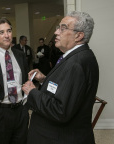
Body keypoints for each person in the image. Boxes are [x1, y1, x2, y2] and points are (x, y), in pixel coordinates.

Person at [22, 11, 99, 144]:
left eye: (63, 28)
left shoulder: (76, 63)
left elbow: (60, 110)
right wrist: (45, 79)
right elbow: (66, 89)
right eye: (58, 27)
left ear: (79, 36)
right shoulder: (75, 56)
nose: (56, 32)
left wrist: (32, 92)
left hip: (59, 137)